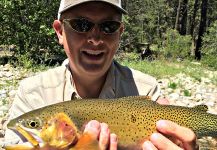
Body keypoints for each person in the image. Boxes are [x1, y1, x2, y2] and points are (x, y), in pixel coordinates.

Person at [4, 0, 198, 149]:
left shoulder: (147, 89)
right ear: (60, 31)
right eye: (81, 25)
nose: (95, 39)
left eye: (108, 27)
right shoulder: (32, 95)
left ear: (120, 33)